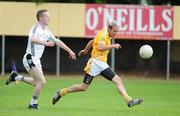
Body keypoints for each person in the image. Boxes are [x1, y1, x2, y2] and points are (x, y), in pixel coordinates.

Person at [52, 22, 143, 108]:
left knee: (117, 80)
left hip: (101, 63)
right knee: (83, 87)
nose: (115, 33)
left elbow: (92, 41)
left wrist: (85, 50)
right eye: (114, 31)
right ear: (109, 29)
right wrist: (113, 46)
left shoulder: (106, 33)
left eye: (117, 31)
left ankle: (129, 100)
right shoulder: (104, 35)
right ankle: (61, 92)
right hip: (96, 63)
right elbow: (100, 47)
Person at [5, 9, 76, 109]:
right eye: (47, 16)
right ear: (41, 18)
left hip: (36, 60)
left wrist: (69, 50)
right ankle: (32, 103)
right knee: (42, 82)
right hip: (30, 57)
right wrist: (45, 43)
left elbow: (57, 41)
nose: (49, 18)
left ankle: (16, 77)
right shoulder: (35, 28)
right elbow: (32, 39)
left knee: (36, 82)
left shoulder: (47, 31)